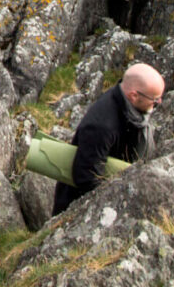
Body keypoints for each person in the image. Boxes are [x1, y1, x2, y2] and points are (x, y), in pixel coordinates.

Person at [51, 63, 163, 215]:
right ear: (134, 95)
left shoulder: (128, 104)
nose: (158, 103)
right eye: (155, 100)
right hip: (82, 212)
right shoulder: (101, 126)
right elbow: (86, 178)